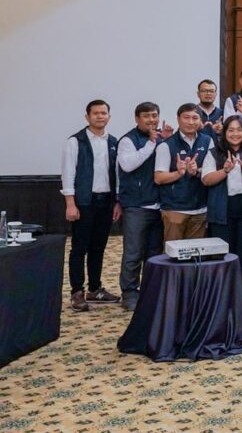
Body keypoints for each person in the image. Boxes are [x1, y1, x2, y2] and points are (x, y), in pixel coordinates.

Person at [61, 99, 121, 312]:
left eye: (104, 113)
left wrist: (117, 202)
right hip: (84, 202)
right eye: (95, 113)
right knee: (79, 247)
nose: (100, 116)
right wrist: (70, 203)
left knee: (99, 247)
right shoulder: (75, 142)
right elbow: (68, 173)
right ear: (87, 117)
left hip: (106, 201)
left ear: (109, 117)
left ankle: (95, 289)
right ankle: (77, 292)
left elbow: (116, 174)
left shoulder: (113, 141)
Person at [116, 101, 173, 312]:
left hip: (159, 204)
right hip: (136, 205)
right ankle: (129, 292)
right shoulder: (127, 140)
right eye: (147, 116)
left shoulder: (161, 138)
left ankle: (150, 291)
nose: (152, 120)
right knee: (133, 252)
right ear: (137, 118)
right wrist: (151, 143)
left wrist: (167, 141)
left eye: (154, 115)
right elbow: (128, 165)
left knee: (154, 253)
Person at [201, 115, 242, 300]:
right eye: (231, 130)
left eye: (239, 130)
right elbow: (206, 180)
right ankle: (222, 295)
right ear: (224, 133)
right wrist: (224, 170)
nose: (235, 134)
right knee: (222, 254)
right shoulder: (214, 153)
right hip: (222, 210)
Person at [154, 103, 213, 242]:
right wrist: (178, 173)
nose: (190, 122)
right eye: (186, 117)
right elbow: (158, 178)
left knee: (195, 253)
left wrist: (197, 171)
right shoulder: (166, 145)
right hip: (175, 209)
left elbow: (211, 170)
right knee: (173, 252)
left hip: (200, 208)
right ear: (178, 119)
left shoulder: (207, 141)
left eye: (195, 118)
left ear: (201, 121)